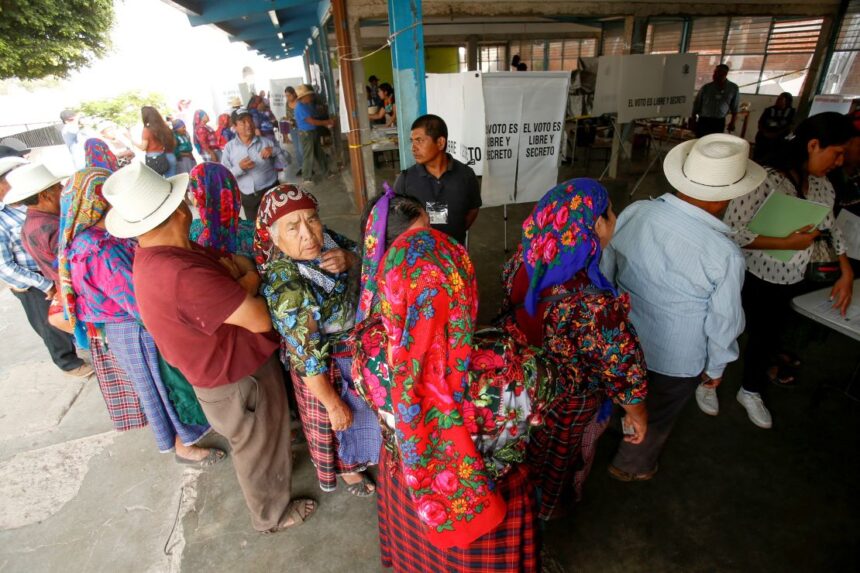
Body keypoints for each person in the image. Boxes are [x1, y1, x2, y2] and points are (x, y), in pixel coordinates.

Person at [102, 162, 315, 533]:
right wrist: (247, 279)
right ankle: (271, 516)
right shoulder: (179, 273)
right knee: (254, 448)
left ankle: (275, 475)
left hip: (231, 364)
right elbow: (259, 316)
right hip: (234, 377)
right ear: (179, 211)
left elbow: (233, 267)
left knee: (264, 436)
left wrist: (238, 277)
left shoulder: (170, 253)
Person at [354, 219, 542, 571]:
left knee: (418, 560)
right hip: (484, 499)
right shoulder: (507, 362)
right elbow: (534, 413)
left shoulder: (369, 348)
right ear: (464, 287)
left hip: (410, 487)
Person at [601, 133, 765, 480]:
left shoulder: (638, 211)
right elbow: (724, 321)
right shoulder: (725, 254)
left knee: (621, 393)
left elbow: (606, 267)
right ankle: (631, 465)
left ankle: (615, 433)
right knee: (658, 412)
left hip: (623, 336)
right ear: (725, 198)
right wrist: (717, 367)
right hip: (677, 357)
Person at [498, 177, 648, 519]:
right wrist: (638, 417)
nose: (614, 220)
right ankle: (546, 512)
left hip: (523, 382)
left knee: (524, 445)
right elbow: (624, 374)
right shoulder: (594, 306)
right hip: (567, 403)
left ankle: (521, 502)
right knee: (557, 460)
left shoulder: (524, 258)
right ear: (596, 225)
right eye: (610, 214)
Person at [58, 165, 221, 464]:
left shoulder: (101, 236)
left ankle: (187, 435)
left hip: (133, 323)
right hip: (134, 328)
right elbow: (136, 299)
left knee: (164, 386)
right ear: (97, 202)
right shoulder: (97, 248)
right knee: (162, 388)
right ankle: (183, 445)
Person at [721, 112, 854, 427]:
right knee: (728, 326)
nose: (839, 161)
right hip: (750, 274)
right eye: (836, 153)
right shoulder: (765, 179)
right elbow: (732, 232)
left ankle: (750, 389)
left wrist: (846, 272)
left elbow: (833, 230)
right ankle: (707, 379)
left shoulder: (822, 187)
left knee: (766, 335)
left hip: (789, 276)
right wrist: (786, 244)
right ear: (813, 144)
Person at [254, 185, 380, 495]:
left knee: (362, 414)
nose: (308, 235)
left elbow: (367, 254)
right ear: (275, 237)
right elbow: (309, 361)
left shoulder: (327, 239)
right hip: (325, 369)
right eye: (293, 228)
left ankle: (361, 456)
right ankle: (349, 471)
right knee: (339, 422)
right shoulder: (288, 287)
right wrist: (333, 404)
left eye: (311, 220)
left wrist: (350, 258)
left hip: (353, 350)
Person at [0, 157, 91, 377]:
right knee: (50, 326)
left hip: (52, 275)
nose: (61, 190)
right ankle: (69, 361)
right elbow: (5, 266)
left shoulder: (34, 213)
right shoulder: (42, 225)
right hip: (37, 281)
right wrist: (46, 284)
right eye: (56, 187)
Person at [394, 114, 481, 245]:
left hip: (454, 250)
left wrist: (456, 232)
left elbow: (473, 209)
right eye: (412, 141)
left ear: (440, 143)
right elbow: (396, 217)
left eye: (419, 140)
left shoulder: (466, 175)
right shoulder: (406, 179)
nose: (413, 148)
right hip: (419, 254)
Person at [221, 107, 287, 222]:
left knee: (279, 223)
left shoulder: (266, 142)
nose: (248, 125)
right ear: (235, 127)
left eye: (250, 120)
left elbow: (286, 162)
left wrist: (275, 151)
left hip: (271, 191)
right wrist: (239, 168)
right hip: (248, 198)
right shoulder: (229, 148)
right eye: (243, 122)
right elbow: (223, 175)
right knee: (256, 230)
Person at [7, 163, 66, 286]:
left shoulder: (29, 224)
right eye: (59, 187)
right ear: (45, 195)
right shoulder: (52, 227)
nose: (63, 189)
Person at [188, 162, 255, 258]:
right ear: (233, 190)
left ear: (199, 200)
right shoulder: (254, 233)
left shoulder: (191, 233)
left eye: (192, 193)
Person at [294, 84, 335, 186]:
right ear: (303, 97)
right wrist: (327, 122)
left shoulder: (307, 105)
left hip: (312, 132)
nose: (311, 97)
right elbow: (312, 121)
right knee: (308, 155)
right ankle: (306, 178)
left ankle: (327, 172)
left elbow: (315, 117)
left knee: (319, 153)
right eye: (309, 95)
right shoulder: (300, 107)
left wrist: (325, 121)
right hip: (306, 134)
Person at [691, 64, 740, 138]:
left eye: (718, 73)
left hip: (719, 122)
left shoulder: (733, 88)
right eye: (714, 72)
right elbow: (696, 105)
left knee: (713, 144)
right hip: (704, 121)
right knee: (699, 143)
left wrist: (732, 123)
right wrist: (693, 121)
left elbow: (735, 108)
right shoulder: (706, 88)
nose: (714, 75)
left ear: (725, 74)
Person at [135, 106, 177, 177]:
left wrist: (132, 141)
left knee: (159, 185)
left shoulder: (147, 129)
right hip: (170, 155)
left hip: (155, 159)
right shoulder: (165, 126)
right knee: (173, 182)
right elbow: (174, 142)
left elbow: (143, 147)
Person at [754, 92, 795, 163]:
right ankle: (757, 160)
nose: (778, 101)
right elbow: (760, 122)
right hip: (765, 134)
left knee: (782, 142)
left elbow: (791, 126)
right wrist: (765, 132)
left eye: (781, 99)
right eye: (778, 99)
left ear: (787, 102)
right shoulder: (769, 110)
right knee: (760, 137)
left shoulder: (792, 112)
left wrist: (776, 134)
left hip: (780, 135)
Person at [284, 87, 304, 175]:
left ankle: (307, 168)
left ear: (294, 94)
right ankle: (301, 167)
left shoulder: (300, 102)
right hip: (292, 129)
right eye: (286, 96)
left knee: (301, 149)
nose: (287, 97)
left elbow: (303, 116)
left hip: (301, 128)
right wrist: (288, 120)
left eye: (289, 95)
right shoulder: (287, 103)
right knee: (296, 149)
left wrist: (295, 121)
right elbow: (287, 115)